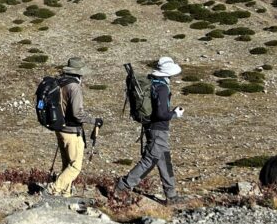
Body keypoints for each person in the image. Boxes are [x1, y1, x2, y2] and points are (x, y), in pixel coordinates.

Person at [115, 56, 184, 203]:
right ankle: (122, 187)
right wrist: (175, 113)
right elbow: (161, 114)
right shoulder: (163, 87)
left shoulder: (152, 83)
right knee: (150, 160)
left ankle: (171, 195)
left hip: (151, 127)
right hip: (158, 129)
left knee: (164, 160)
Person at [46, 58, 101, 197]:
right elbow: (77, 114)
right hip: (71, 131)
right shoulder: (74, 87)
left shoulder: (60, 82)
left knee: (67, 164)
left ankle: (66, 193)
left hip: (60, 129)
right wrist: (94, 120)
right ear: (79, 73)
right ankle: (54, 188)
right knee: (75, 166)